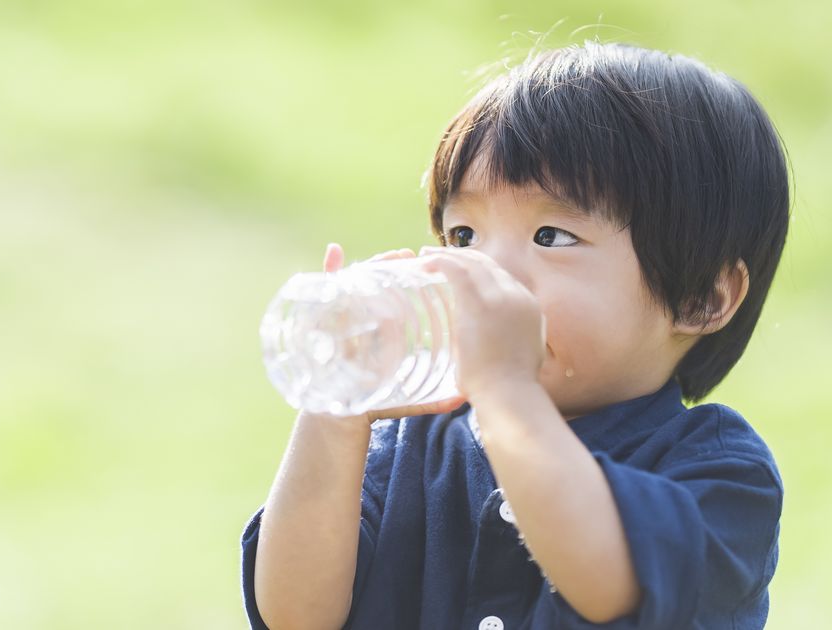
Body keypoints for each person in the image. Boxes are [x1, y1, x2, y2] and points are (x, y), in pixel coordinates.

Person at [241, 41, 788, 629]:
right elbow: (295, 616)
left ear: (701, 296)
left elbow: (608, 582)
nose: (486, 273)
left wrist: (507, 389)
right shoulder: (409, 444)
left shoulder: (720, 473)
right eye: (464, 236)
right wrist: (336, 411)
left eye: (550, 235)